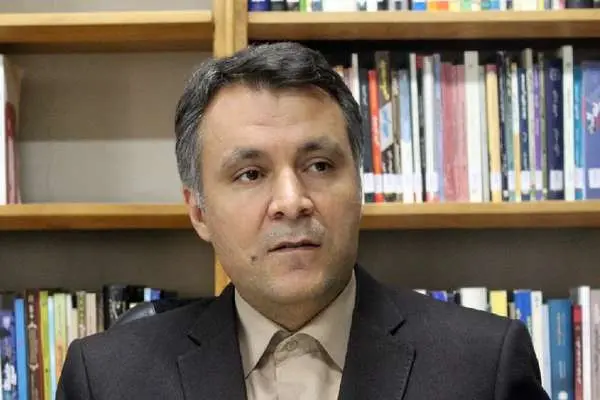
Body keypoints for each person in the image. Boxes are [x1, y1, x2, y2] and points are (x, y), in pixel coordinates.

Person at [56, 42, 549, 400]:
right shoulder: (108, 379)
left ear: (358, 186)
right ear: (199, 211)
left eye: (319, 166)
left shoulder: (483, 365)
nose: (292, 202)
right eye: (251, 174)